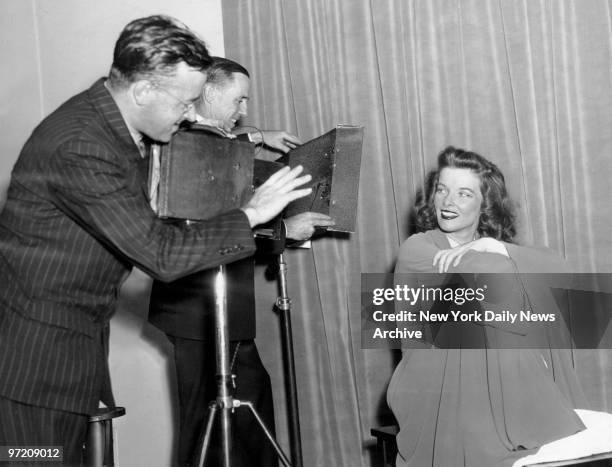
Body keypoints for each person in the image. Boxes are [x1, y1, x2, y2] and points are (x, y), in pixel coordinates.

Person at [0, 16, 312, 465]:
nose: (190, 113)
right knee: (35, 460)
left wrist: (252, 141)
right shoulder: (81, 146)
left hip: (66, 352)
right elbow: (162, 253)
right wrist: (250, 214)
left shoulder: (109, 125)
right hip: (33, 365)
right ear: (144, 91)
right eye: (186, 102)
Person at [148, 57, 334, 467]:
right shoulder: (186, 142)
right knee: (212, 419)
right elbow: (216, 227)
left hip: (210, 309)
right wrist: (286, 232)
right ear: (210, 92)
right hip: (200, 309)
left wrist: (257, 137)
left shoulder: (208, 139)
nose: (244, 109)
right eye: (239, 98)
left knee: (224, 413)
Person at [387, 146, 588, 467]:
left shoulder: (491, 250)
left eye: (464, 193)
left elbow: (560, 270)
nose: (448, 202)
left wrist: (494, 245)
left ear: (485, 205)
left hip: (502, 379)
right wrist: (500, 256)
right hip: (434, 386)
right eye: (442, 190)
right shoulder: (418, 249)